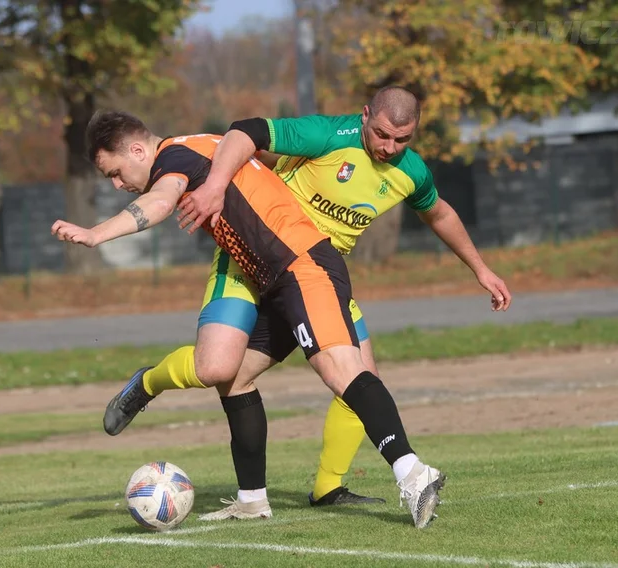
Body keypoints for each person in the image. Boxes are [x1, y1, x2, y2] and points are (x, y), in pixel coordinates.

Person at [105, 87, 512, 512]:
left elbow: (440, 213)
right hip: (249, 259)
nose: (389, 148)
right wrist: (217, 187)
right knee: (217, 367)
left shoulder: (411, 172)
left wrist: (480, 269)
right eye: (381, 134)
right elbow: (244, 132)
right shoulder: (328, 134)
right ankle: (147, 384)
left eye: (402, 140)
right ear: (365, 115)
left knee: (358, 374)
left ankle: (324, 489)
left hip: (317, 272)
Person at [52, 110, 446, 528]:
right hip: (275, 280)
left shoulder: (176, 155)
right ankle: (252, 500)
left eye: (115, 173)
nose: (117, 184)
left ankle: (413, 474)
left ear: (136, 150)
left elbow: (161, 201)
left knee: (343, 371)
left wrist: (96, 234)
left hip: (303, 267)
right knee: (230, 374)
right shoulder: (196, 146)